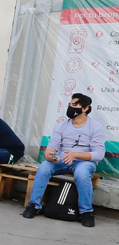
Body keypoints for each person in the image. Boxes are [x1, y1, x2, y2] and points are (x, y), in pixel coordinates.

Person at [22, 94, 105, 227]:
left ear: (85, 109)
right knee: (44, 167)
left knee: (82, 174)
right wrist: (49, 154)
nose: (70, 108)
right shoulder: (62, 125)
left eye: (74, 105)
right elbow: (52, 146)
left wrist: (75, 155)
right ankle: (34, 205)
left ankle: (86, 212)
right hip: (62, 159)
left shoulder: (96, 127)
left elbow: (98, 154)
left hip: (83, 162)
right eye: (70, 105)